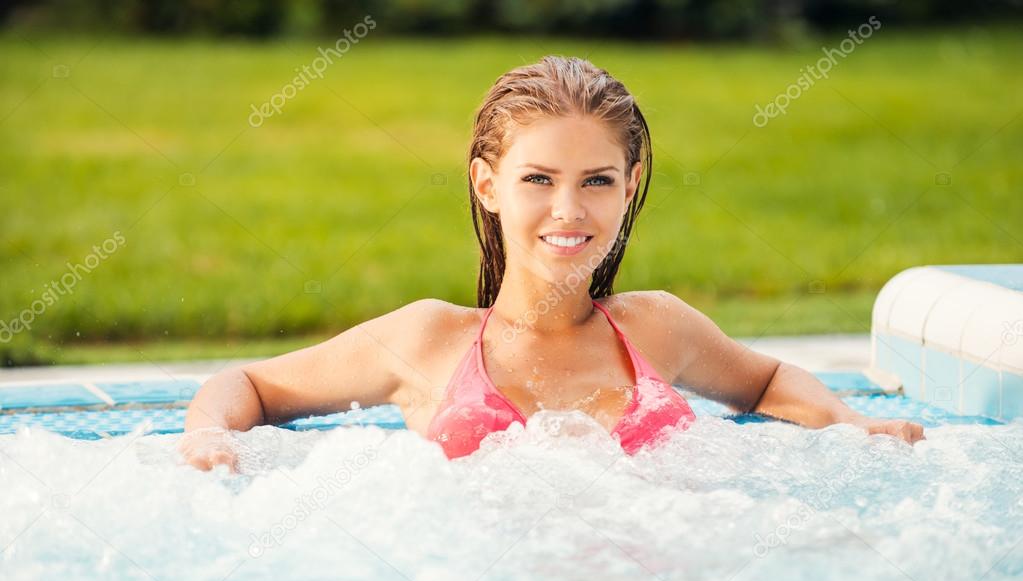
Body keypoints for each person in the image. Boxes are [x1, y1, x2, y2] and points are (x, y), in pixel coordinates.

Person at [180, 55, 925, 472]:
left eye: (596, 181)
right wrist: (207, 438)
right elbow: (245, 383)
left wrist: (845, 422)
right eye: (538, 180)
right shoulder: (427, 341)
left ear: (629, 188)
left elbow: (764, 381)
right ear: (486, 183)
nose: (568, 211)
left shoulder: (656, 327)